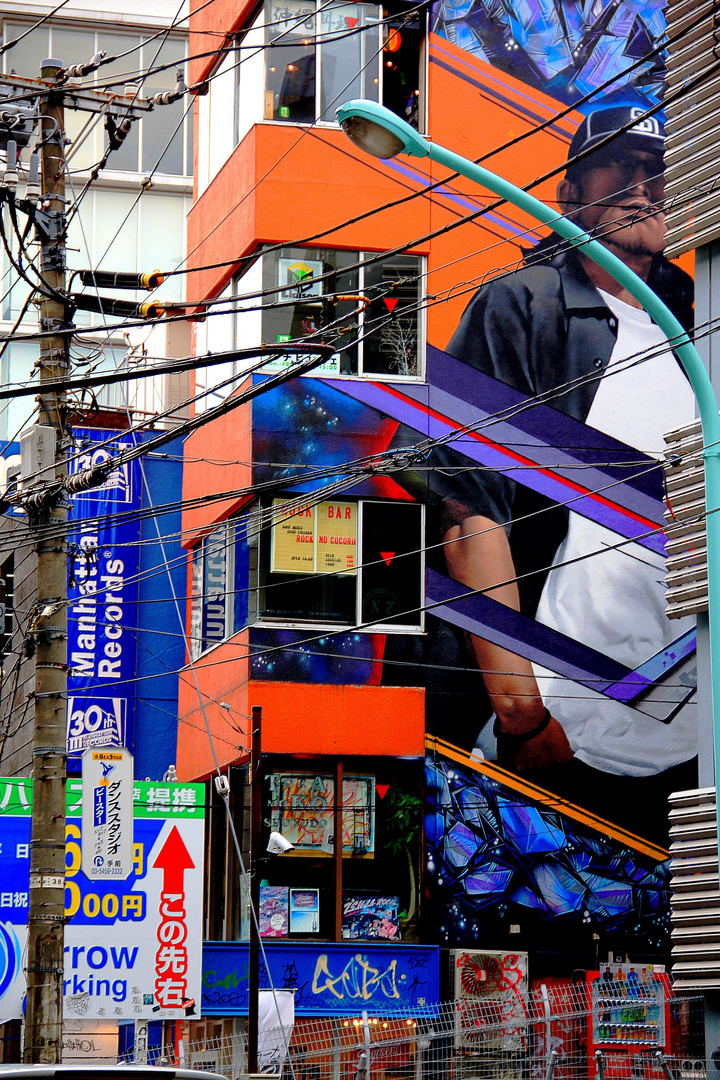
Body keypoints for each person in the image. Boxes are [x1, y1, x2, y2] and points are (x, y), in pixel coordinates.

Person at [434, 103, 698, 843]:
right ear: (572, 193)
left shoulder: (699, 326)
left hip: (692, 763)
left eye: (661, 171)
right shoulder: (526, 305)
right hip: (558, 751)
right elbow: (467, 510)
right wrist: (521, 718)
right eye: (623, 168)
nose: (646, 187)